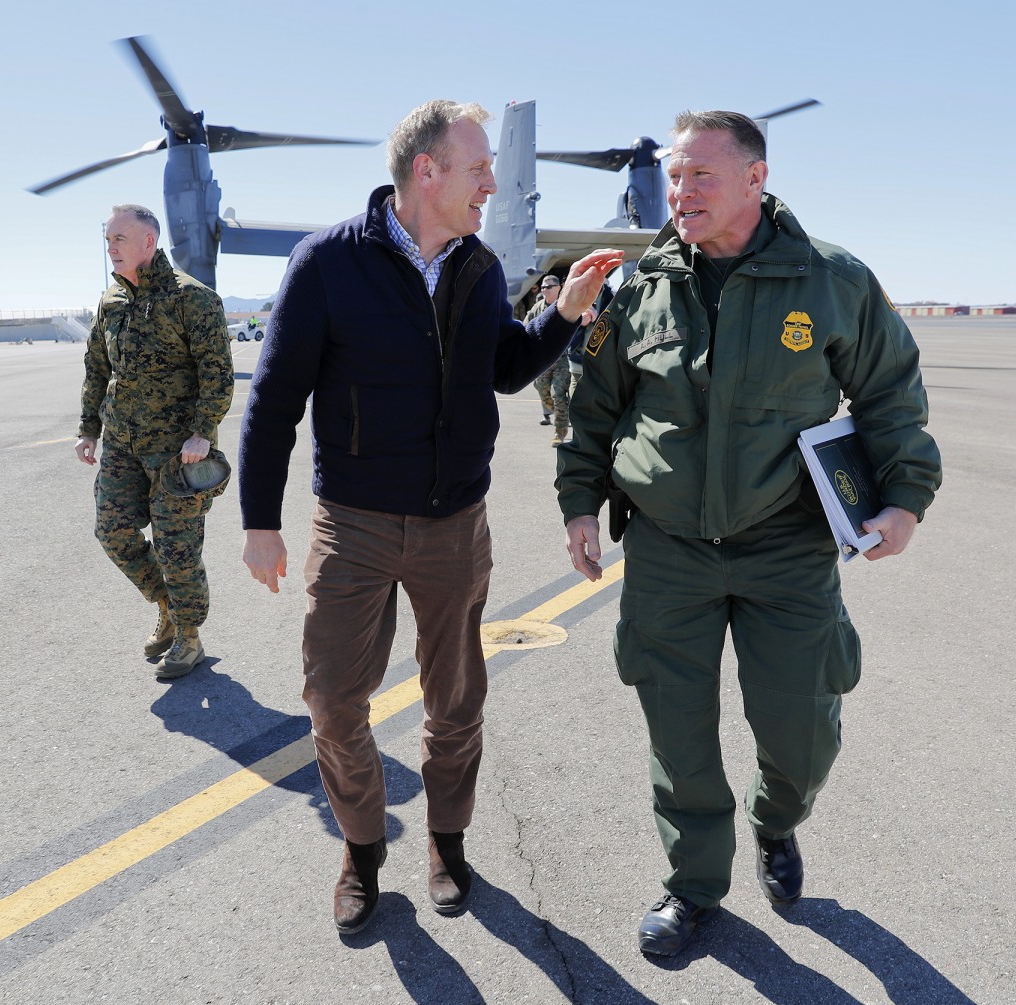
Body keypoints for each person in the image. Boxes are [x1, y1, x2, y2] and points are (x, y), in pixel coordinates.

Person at [556, 111, 942, 957]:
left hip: (787, 546)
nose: (679, 191)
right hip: (667, 548)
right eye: (673, 174)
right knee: (679, 733)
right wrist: (580, 505)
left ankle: (779, 820)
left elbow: (891, 395)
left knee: (800, 729)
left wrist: (904, 501)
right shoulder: (641, 286)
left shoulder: (831, 280)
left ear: (755, 179)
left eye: (699, 175)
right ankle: (694, 884)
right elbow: (593, 408)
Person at [238, 99, 624, 934]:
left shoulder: (478, 267)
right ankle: (363, 847)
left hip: (455, 523)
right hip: (354, 522)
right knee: (332, 696)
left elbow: (507, 368)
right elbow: (272, 401)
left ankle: (447, 841)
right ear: (428, 172)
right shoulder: (326, 264)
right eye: (478, 167)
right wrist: (260, 520)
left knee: (455, 697)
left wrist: (561, 315)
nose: (492, 182)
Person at [75, 203, 234, 679]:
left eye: (119, 239)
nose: (110, 248)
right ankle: (165, 603)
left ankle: (189, 636)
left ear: (148, 242)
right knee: (112, 531)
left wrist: (203, 432)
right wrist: (89, 428)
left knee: (176, 546)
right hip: (123, 442)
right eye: (107, 240)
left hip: (177, 452)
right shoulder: (111, 302)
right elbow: (97, 369)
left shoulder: (194, 299)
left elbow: (218, 373)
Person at [527, 276, 569, 442]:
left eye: (549, 287)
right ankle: (563, 412)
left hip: (562, 359)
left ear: (559, 288)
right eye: (543, 287)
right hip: (543, 359)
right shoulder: (537, 308)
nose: (545, 289)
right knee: (542, 389)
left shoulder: (565, 305)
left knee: (557, 393)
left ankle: (559, 432)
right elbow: (526, 328)